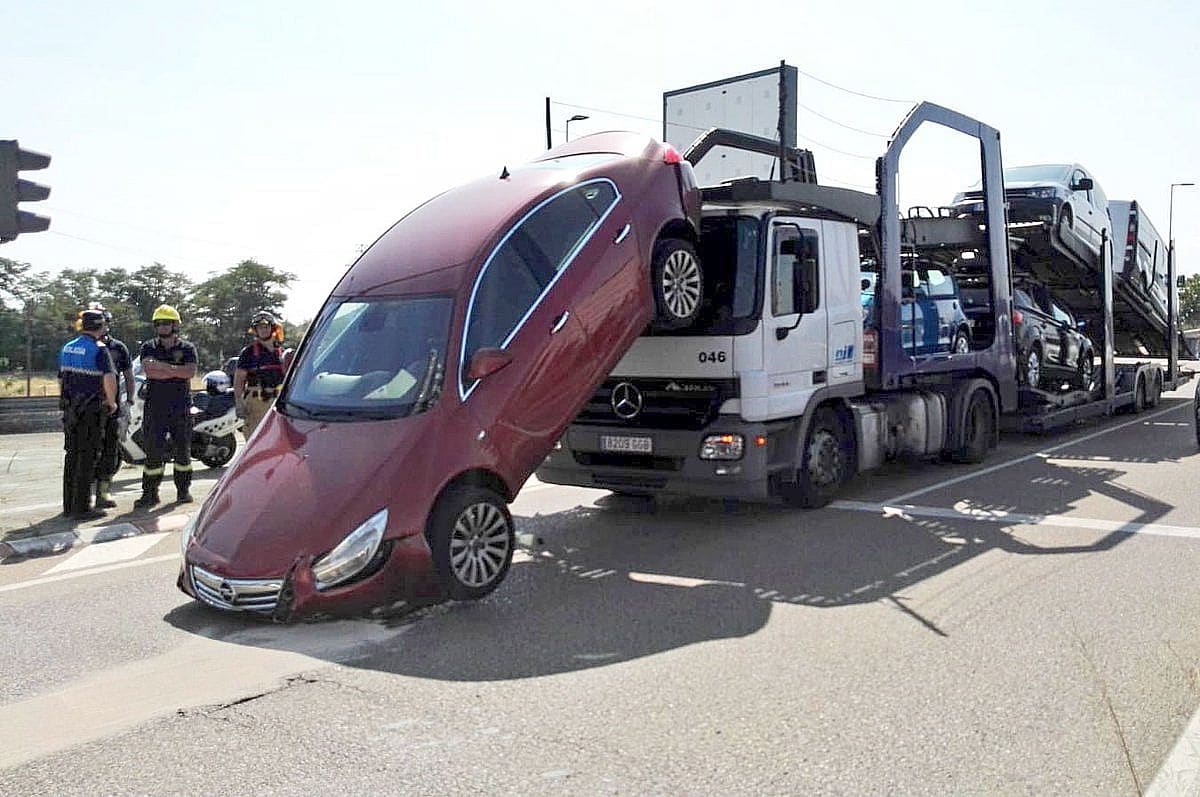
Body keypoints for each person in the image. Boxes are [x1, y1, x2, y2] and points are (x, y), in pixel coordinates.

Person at [134, 304, 198, 508]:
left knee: (182, 452)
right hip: (155, 407)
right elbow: (150, 372)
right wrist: (174, 370)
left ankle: (183, 492)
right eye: (159, 323)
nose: (162, 327)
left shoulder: (187, 348)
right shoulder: (148, 347)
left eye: (166, 323)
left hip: (181, 407)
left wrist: (163, 367)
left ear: (175, 325)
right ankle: (150, 494)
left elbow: (189, 372)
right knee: (153, 452)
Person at [58, 309, 118, 519]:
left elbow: (61, 378)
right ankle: (82, 508)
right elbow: (109, 379)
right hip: (91, 410)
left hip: (70, 410)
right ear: (100, 327)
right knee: (87, 457)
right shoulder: (99, 350)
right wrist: (111, 403)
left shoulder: (68, 348)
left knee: (71, 456)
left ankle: (68, 506)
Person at [90, 303, 135, 509]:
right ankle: (85, 491)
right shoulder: (84, 346)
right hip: (89, 408)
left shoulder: (118, 348)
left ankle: (103, 492)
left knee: (110, 449)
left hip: (112, 409)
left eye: (103, 322)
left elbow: (129, 375)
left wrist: (129, 401)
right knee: (89, 449)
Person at [234, 310, 286, 437]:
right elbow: (239, 379)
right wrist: (239, 401)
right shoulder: (248, 352)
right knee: (256, 440)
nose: (263, 330)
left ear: (272, 328)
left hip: (279, 401)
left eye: (266, 326)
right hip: (256, 402)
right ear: (255, 330)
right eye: (260, 327)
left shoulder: (281, 352)